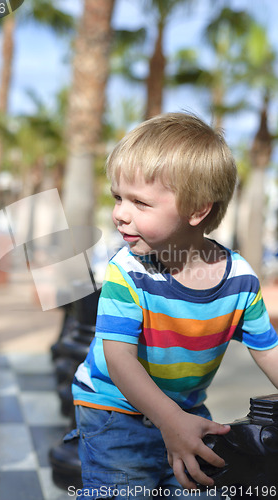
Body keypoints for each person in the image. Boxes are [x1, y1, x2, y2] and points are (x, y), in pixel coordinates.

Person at [66, 112, 278, 499]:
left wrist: (176, 420)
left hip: (185, 413)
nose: (119, 214)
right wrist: (169, 420)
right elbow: (119, 359)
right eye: (117, 197)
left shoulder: (240, 278)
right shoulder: (128, 272)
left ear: (197, 210)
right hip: (115, 413)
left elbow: (268, 350)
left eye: (139, 202)